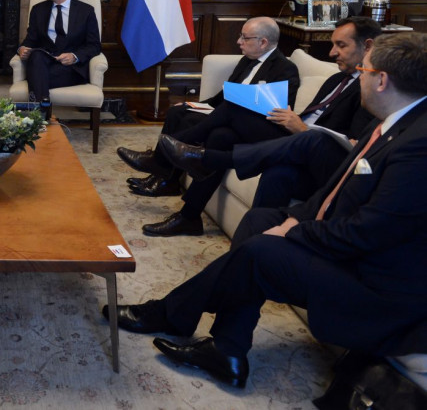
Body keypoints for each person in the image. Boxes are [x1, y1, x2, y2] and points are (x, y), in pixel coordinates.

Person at [104, 32, 427, 389]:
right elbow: (332, 194)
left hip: (375, 284)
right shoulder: (394, 121)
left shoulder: (418, 145)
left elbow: (368, 233)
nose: (360, 76)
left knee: (260, 250)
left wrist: (293, 231)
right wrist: (295, 217)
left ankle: (169, 312)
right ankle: (228, 349)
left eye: (365, 69)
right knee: (259, 220)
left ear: (382, 80)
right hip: (352, 247)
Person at [161, 17, 381, 210]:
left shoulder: (369, 89)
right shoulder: (335, 79)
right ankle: (190, 214)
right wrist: (293, 121)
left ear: (367, 46)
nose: (332, 53)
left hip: (313, 147)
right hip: (291, 133)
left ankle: (180, 151)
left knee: (233, 106)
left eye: (340, 45)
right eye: (333, 45)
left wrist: (302, 129)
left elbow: (352, 143)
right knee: (221, 135)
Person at [117, 16, 299, 197]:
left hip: (250, 124)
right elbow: (223, 97)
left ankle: (159, 160)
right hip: (225, 113)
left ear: (263, 42)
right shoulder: (247, 60)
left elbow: (275, 109)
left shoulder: (285, 69)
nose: (239, 41)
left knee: (195, 121)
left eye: (245, 37)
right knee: (177, 112)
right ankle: (166, 179)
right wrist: (194, 104)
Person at [16, 0, 101, 116]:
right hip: (44, 62)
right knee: (36, 56)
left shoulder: (86, 11)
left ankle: (39, 112)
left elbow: (94, 45)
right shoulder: (38, 10)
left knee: (36, 75)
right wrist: (21, 49)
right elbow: (30, 40)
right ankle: (43, 110)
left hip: (70, 69)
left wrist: (75, 57)